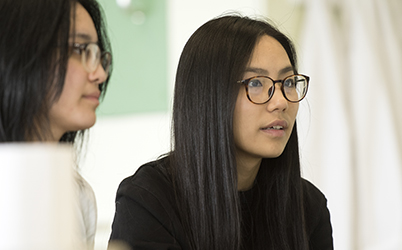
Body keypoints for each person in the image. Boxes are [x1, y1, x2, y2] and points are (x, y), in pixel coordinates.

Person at [109, 15, 333, 250]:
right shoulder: (149, 200)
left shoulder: (308, 207)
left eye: (287, 82)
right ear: (210, 96)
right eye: (256, 83)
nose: (280, 101)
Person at [0, 0, 112, 249]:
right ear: (21, 51)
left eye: (97, 54)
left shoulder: (78, 193)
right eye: (80, 49)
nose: (100, 74)